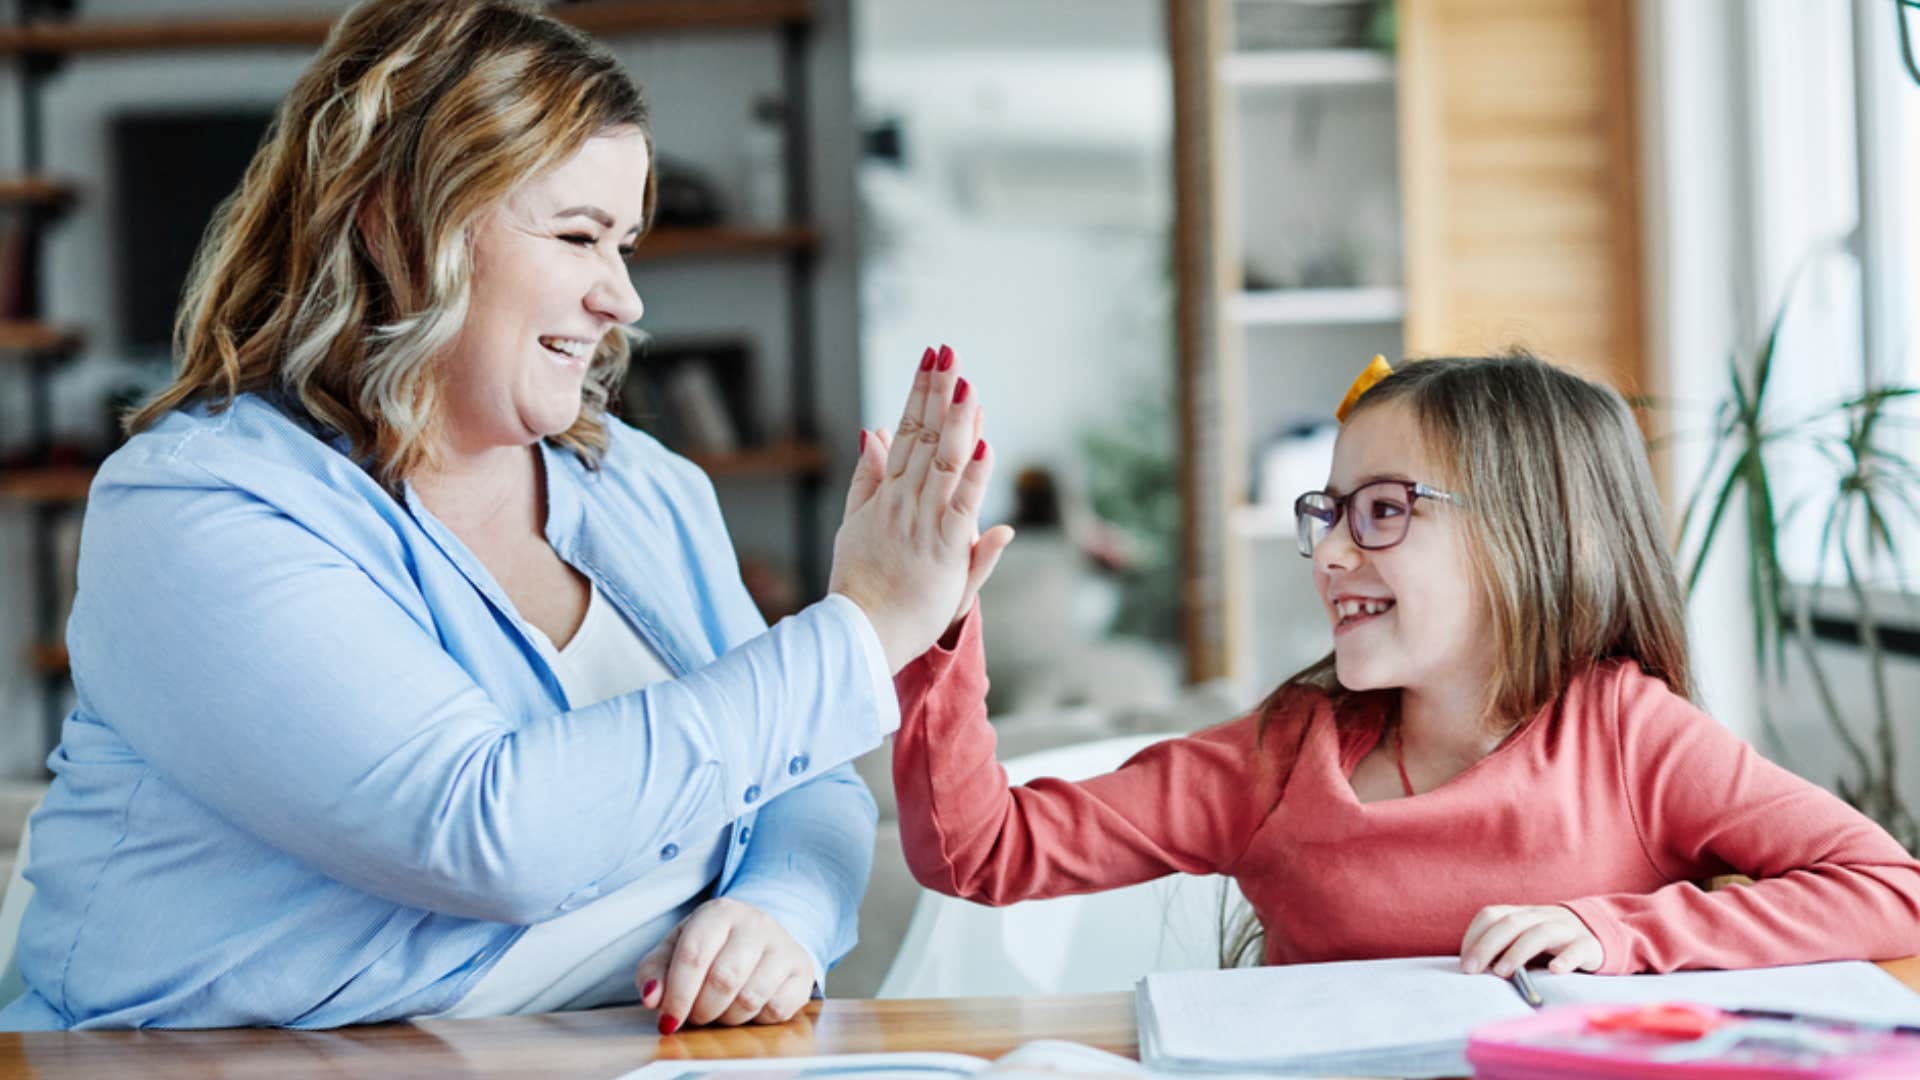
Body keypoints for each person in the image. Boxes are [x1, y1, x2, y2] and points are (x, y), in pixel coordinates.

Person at [1, 0, 1011, 1031]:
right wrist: (859, 631)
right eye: (578, 236)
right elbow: (487, 834)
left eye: (623, 243)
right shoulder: (199, 509)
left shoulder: (645, 489)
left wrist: (777, 911)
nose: (624, 298)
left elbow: (805, 785)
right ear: (396, 227)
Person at [891, 352, 1920, 978]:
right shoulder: (1279, 760)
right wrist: (938, 624)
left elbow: (1892, 890)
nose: (1332, 552)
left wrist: (1613, 932)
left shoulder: (1627, 734)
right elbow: (981, 850)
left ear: (1538, 533)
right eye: (1328, 513)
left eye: (1384, 511)